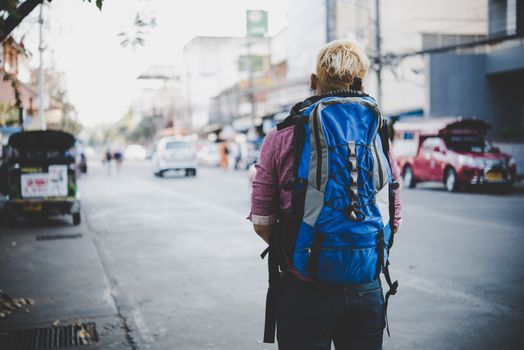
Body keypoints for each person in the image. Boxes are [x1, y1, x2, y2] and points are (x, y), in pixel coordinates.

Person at [249, 40, 402, 350]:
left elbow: (262, 220)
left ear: (313, 81)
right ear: (361, 82)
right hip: (365, 286)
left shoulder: (281, 136)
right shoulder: (377, 132)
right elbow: (393, 216)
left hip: (303, 288)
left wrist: (304, 248)